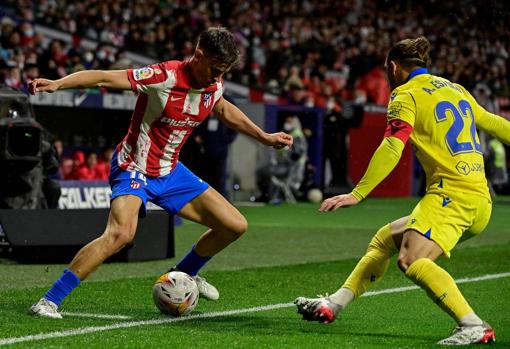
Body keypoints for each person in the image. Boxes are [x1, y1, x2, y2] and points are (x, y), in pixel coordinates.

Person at [27, 27, 293, 319]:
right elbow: (103, 76)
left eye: (223, 72)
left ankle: (184, 274)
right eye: (215, 69)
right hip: (134, 167)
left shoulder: (214, 83)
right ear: (199, 55)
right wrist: (57, 84)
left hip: (170, 171)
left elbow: (223, 109)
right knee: (120, 234)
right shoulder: (163, 76)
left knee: (234, 225)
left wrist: (264, 136)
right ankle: (48, 301)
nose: (218, 77)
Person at [294, 37, 510, 345]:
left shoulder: (405, 94)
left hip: (451, 196)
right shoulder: (455, 88)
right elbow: (494, 124)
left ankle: (472, 324)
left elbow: (392, 146)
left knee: (411, 260)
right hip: (479, 198)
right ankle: (334, 304)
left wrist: (358, 192)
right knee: (386, 239)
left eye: (386, 69)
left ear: (394, 67)